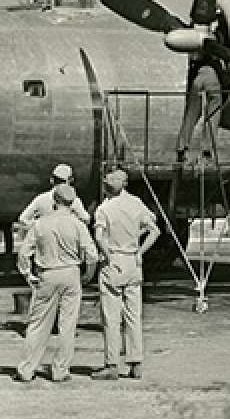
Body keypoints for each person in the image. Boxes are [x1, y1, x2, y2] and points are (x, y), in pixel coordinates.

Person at [16, 183, 99, 383]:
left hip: (48, 273)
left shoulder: (41, 223)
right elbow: (92, 255)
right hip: (71, 273)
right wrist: (88, 275)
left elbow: (23, 253)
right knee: (67, 324)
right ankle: (60, 370)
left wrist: (28, 274)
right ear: (72, 203)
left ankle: (27, 369)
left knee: (38, 324)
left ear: (54, 201)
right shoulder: (78, 225)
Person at [92, 168, 159, 380]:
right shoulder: (136, 203)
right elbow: (155, 230)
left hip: (114, 260)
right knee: (133, 316)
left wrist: (107, 256)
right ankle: (136, 362)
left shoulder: (104, 209)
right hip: (133, 261)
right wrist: (140, 250)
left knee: (112, 318)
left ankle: (112, 364)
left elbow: (99, 237)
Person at [16, 164, 86, 238]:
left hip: (45, 241)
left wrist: (38, 228)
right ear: (70, 180)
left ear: (52, 180)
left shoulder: (41, 198)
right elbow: (86, 219)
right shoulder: (74, 200)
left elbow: (23, 219)